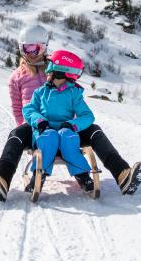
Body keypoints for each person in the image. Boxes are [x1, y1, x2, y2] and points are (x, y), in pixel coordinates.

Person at [0, 25, 141, 201]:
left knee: (95, 130)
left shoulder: (57, 67)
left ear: (44, 46)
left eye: (34, 48)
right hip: (37, 127)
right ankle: (2, 181)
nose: (30, 53)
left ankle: (123, 175)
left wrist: (73, 125)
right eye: (25, 48)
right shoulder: (16, 77)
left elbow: (78, 98)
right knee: (16, 134)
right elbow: (18, 108)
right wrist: (32, 127)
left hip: (68, 128)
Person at [22, 50, 96, 192]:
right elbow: (29, 109)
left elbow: (87, 116)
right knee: (49, 137)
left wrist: (72, 124)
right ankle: (38, 175)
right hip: (44, 132)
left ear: (60, 71)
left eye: (50, 66)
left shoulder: (73, 93)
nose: (47, 71)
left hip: (65, 132)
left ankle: (82, 175)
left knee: (67, 136)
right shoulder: (40, 92)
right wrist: (40, 121)